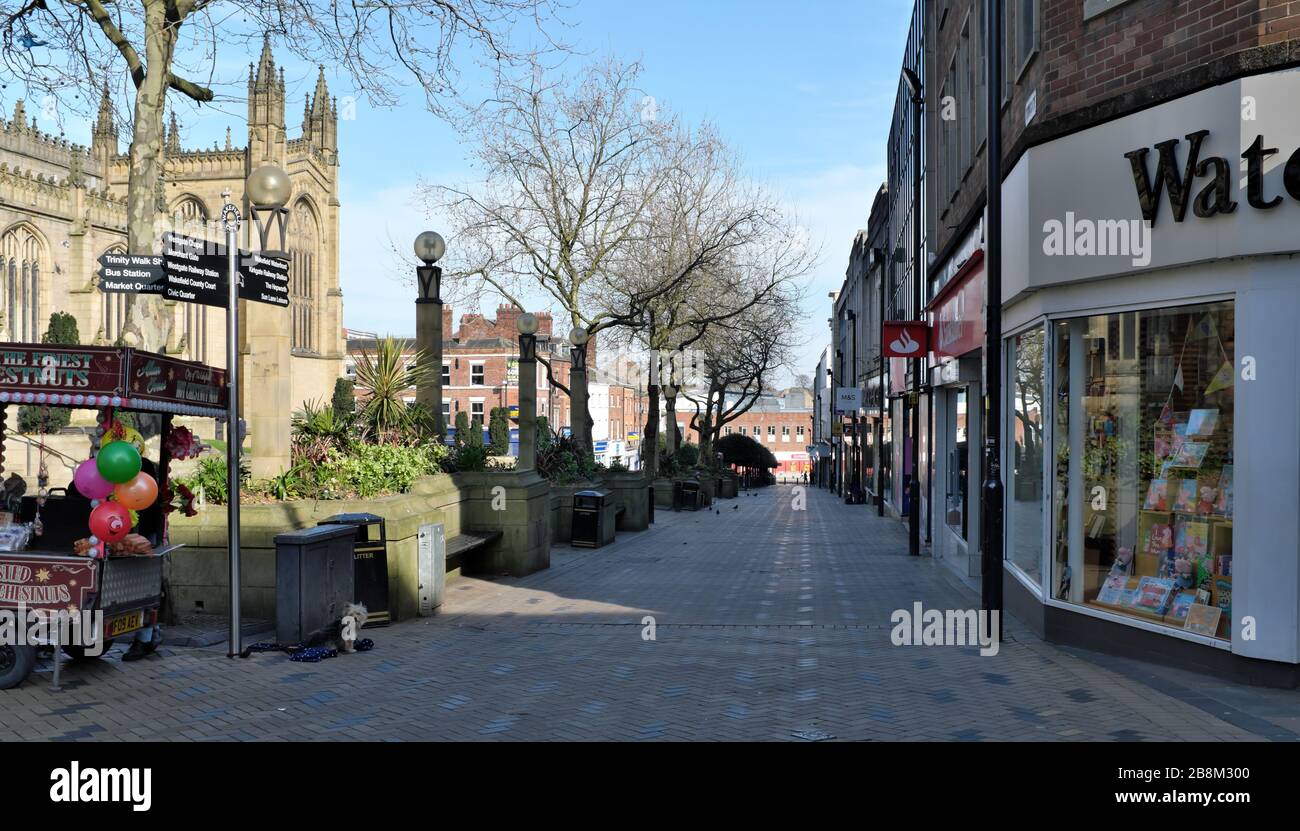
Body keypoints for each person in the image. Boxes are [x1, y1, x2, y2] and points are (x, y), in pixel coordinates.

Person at [123, 457, 164, 663]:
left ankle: (145, 636)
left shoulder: (143, 466)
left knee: (143, 587)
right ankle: (151, 633)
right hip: (124, 531)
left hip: (144, 534)